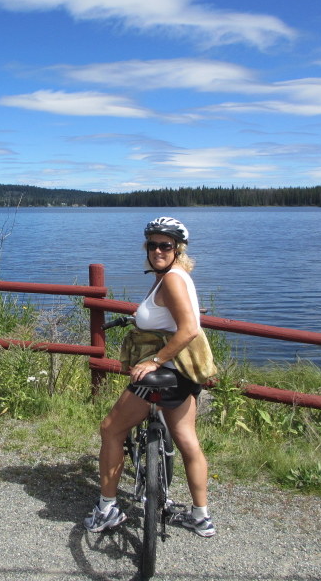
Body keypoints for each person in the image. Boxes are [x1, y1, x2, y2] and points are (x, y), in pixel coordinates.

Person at [84, 216, 216, 537]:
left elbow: (187, 329)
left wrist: (156, 360)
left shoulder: (170, 280)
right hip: (185, 373)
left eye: (165, 245)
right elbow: (169, 321)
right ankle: (201, 517)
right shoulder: (174, 276)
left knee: (111, 430)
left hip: (166, 369)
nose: (158, 250)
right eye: (153, 244)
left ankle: (107, 509)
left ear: (177, 249)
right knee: (187, 441)